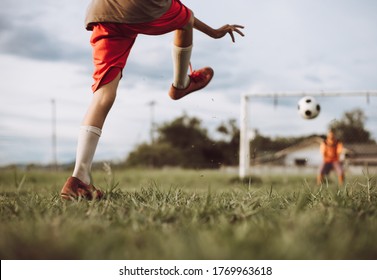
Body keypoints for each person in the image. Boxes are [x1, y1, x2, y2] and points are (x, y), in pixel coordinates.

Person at [60, 0, 245, 200]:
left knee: (103, 95)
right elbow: (186, 18)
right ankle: (180, 85)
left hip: (102, 10)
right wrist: (214, 32)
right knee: (184, 19)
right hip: (137, 5)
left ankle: (78, 178)